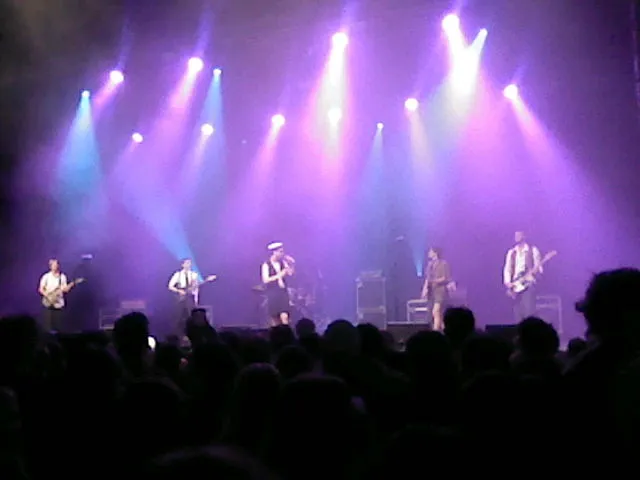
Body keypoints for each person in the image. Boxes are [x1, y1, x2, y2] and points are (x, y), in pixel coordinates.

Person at [503, 231, 542, 322]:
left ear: (524, 235)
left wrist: (534, 272)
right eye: (515, 234)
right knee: (517, 315)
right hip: (515, 287)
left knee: (528, 314)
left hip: (528, 286)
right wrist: (508, 283)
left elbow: (539, 268)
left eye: (518, 234)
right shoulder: (512, 252)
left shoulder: (533, 250)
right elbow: (507, 269)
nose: (516, 236)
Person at [261, 242, 295, 326]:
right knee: (275, 318)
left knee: (285, 316)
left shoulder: (283, 262)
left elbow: (290, 273)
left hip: (282, 292)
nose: (282, 253)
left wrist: (292, 264)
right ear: (274, 252)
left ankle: (286, 331)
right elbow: (265, 280)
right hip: (273, 293)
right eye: (280, 251)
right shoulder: (266, 264)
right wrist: (279, 275)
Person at [421, 247, 453, 331]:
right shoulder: (429, 265)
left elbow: (445, 278)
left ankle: (435, 332)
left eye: (430, 251)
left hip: (440, 292)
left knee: (435, 311)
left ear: (435, 253)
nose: (429, 253)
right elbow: (427, 279)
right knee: (438, 315)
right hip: (431, 292)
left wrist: (434, 281)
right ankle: (445, 330)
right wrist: (424, 289)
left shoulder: (443, 264)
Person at [168, 258, 201, 334]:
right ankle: (177, 333)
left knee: (191, 315)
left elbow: (196, 288)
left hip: (190, 297)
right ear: (182, 265)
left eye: (190, 263)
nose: (189, 265)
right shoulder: (178, 274)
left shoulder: (194, 275)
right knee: (178, 316)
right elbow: (170, 286)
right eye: (187, 263)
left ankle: (192, 333)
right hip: (180, 297)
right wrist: (179, 291)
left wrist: (196, 300)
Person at [38, 258, 70, 331]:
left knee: (58, 326)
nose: (56, 266)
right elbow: (41, 289)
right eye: (54, 265)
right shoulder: (46, 276)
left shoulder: (62, 277)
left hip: (58, 304)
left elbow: (65, 289)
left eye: (57, 265)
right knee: (48, 326)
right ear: (50, 266)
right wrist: (47, 295)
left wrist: (67, 288)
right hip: (48, 304)